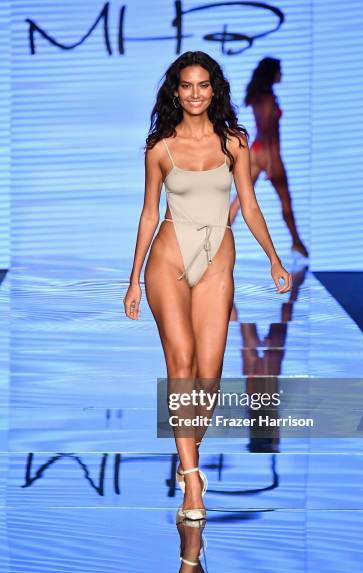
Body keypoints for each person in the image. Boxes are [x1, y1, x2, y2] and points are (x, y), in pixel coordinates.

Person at [123, 51, 291, 522]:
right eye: (186, 85)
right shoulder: (160, 148)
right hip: (168, 258)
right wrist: (134, 280)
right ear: (175, 92)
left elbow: (251, 207)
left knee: (209, 377)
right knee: (180, 362)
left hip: (218, 260)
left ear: (214, 89)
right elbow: (149, 214)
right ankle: (192, 480)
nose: (195, 93)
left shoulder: (235, 142)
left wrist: (275, 260)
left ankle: (187, 451)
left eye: (203, 85)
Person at [229, 57, 309, 258]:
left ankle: (219, 236)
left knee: (240, 198)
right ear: (272, 73)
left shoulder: (259, 96)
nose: (282, 75)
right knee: (285, 201)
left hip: (256, 151)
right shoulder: (268, 99)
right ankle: (296, 242)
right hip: (269, 152)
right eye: (280, 71)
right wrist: (272, 163)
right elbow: (267, 130)